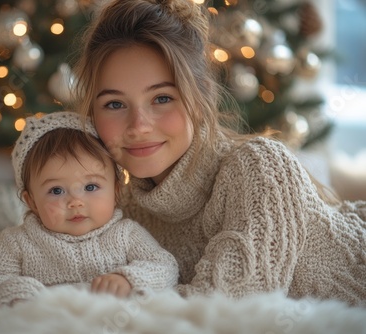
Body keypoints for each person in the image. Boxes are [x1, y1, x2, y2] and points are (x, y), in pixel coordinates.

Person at [71, 0, 366, 306]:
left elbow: (228, 308)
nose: (138, 126)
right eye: (115, 104)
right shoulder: (125, 207)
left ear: (200, 99)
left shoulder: (258, 167)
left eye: (161, 98)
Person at [0, 111, 178, 311]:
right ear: (31, 201)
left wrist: (128, 279)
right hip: (43, 319)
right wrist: (15, 294)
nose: (76, 202)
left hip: (105, 320)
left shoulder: (126, 234)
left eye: (91, 186)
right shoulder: (17, 242)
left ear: (116, 190)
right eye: (56, 191)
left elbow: (164, 265)